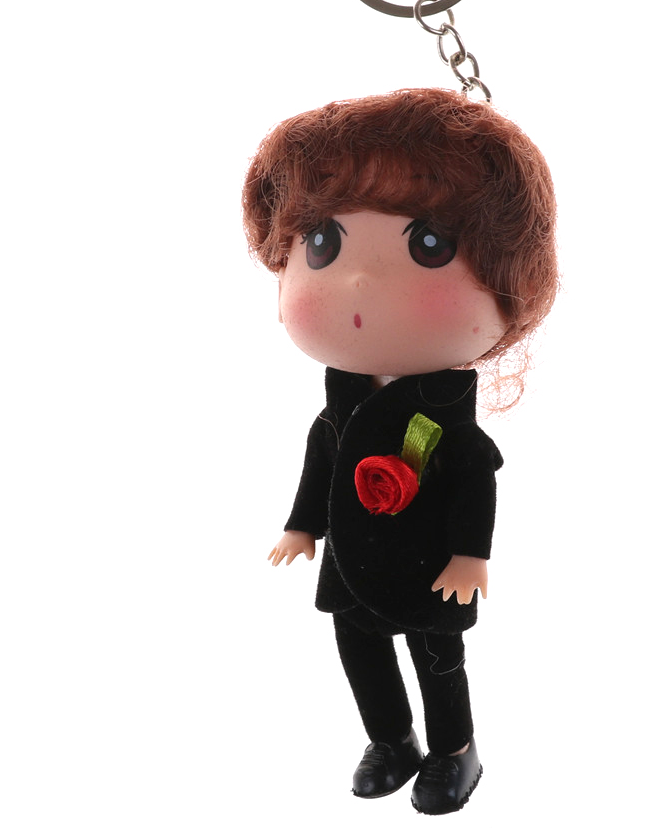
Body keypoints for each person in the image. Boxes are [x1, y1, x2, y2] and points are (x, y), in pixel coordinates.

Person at [242, 86, 557, 814]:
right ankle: (390, 739)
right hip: (352, 557)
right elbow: (323, 457)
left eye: (428, 245)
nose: (359, 279)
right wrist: (302, 526)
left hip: (431, 564)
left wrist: (470, 555)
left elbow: (474, 477)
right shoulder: (339, 410)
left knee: (437, 656)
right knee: (357, 647)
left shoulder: (442, 422)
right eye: (322, 243)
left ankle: (454, 749)